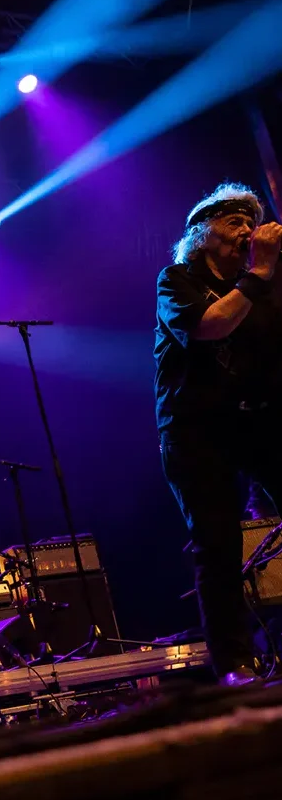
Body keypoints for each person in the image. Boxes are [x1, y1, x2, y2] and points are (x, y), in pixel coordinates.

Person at [155, 182, 282, 687]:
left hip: (254, 422)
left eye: (251, 222)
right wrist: (259, 273)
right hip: (193, 428)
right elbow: (209, 326)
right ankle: (234, 663)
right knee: (218, 544)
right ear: (200, 231)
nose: (247, 229)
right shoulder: (176, 280)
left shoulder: (266, 285)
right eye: (233, 220)